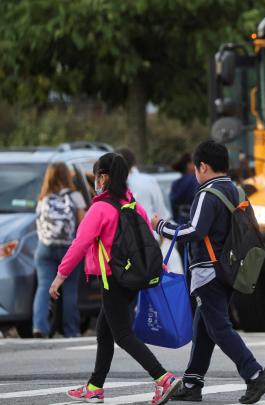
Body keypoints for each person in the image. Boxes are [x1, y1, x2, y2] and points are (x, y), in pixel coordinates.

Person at [48, 153, 181, 405]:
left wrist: (60, 277)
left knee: (122, 334)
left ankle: (163, 378)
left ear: (104, 177)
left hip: (112, 279)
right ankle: (95, 387)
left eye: (97, 175)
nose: (95, 181)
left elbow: (79, 244)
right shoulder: (131, 203)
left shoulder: (100, 208)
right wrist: (159, 266)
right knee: (104, 332)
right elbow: (147, 242)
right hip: (131, 279)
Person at [151, 140, 265, 404]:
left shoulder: (207, 193)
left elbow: (194, 231)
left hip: (208, 271)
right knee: (204, 328)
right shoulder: (236, 191)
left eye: (196, 169)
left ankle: (255, 374)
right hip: (230, 269)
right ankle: (193, 383)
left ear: (203, 167)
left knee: (218, 327)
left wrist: (161, 226)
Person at [33, 162, 86, 338]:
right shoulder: (76, 196)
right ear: (67, 176)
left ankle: (39, 327)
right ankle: (71, 331)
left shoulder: (42, 197)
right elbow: (83, 223)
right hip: (68, 249)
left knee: (44, 287)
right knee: (70, 290)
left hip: (45, 248)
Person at [116, 148, 170, 219]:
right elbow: (161, 211)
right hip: (147, 226)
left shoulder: (108, 184)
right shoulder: (148, 181)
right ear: (133, 162)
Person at [170, 153, 198, 226]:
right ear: (188, 165)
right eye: (194, 162)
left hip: (181, 222)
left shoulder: (175, 184)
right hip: (195, 223)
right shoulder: (195, 181)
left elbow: (173, 207)